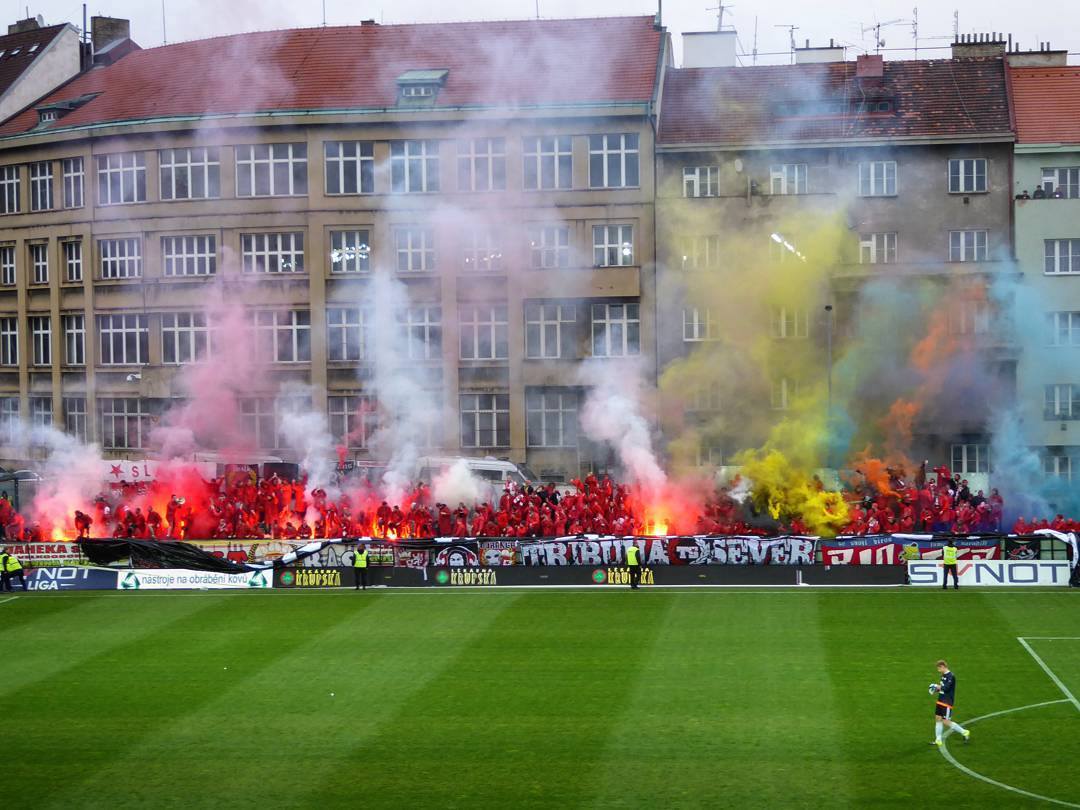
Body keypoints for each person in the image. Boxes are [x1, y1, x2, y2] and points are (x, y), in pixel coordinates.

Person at [930, 659, 970, 746]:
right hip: (940, 700)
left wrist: (937, 686)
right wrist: (935, 690)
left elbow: (947, 688)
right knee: (938, 718)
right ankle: (938, 740)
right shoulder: (943, 675)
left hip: (947, 702)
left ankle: (964, 732)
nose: (938, 670)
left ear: (943, 666)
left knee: (945, 721)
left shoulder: (951, 676)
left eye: (939, 668)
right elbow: (943, 689)